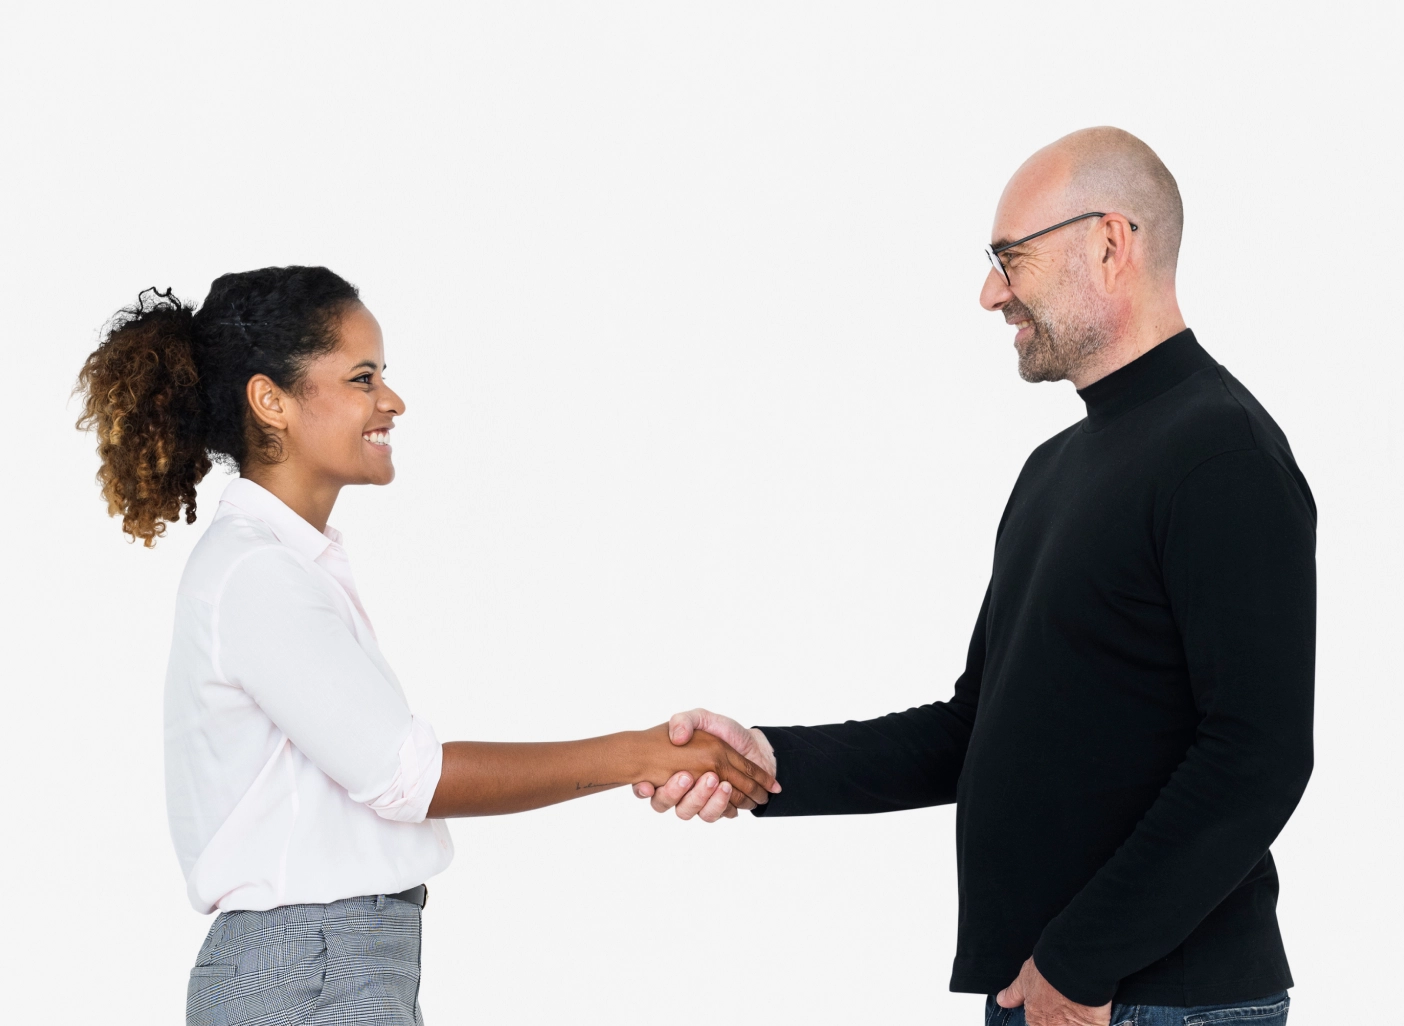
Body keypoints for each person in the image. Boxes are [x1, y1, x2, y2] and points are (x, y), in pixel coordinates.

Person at [635, 127, 1315, 1026]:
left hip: (1146, 1000)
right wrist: (770, 761)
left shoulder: (1221, 453)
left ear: (1111, 244)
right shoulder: (1055, 466)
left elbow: (1258, 756)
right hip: (1051, 989)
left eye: (1012, 257)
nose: (991, 292)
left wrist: (1080, 965)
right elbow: (977, 728)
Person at [75, 266, 778, 1026]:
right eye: (362, 377)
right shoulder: (258, 574)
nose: (391, 400)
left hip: (327, 963)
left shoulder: (282, 563)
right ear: (270, 399)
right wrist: (641, 753)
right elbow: (407, 779)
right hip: (312, 969)